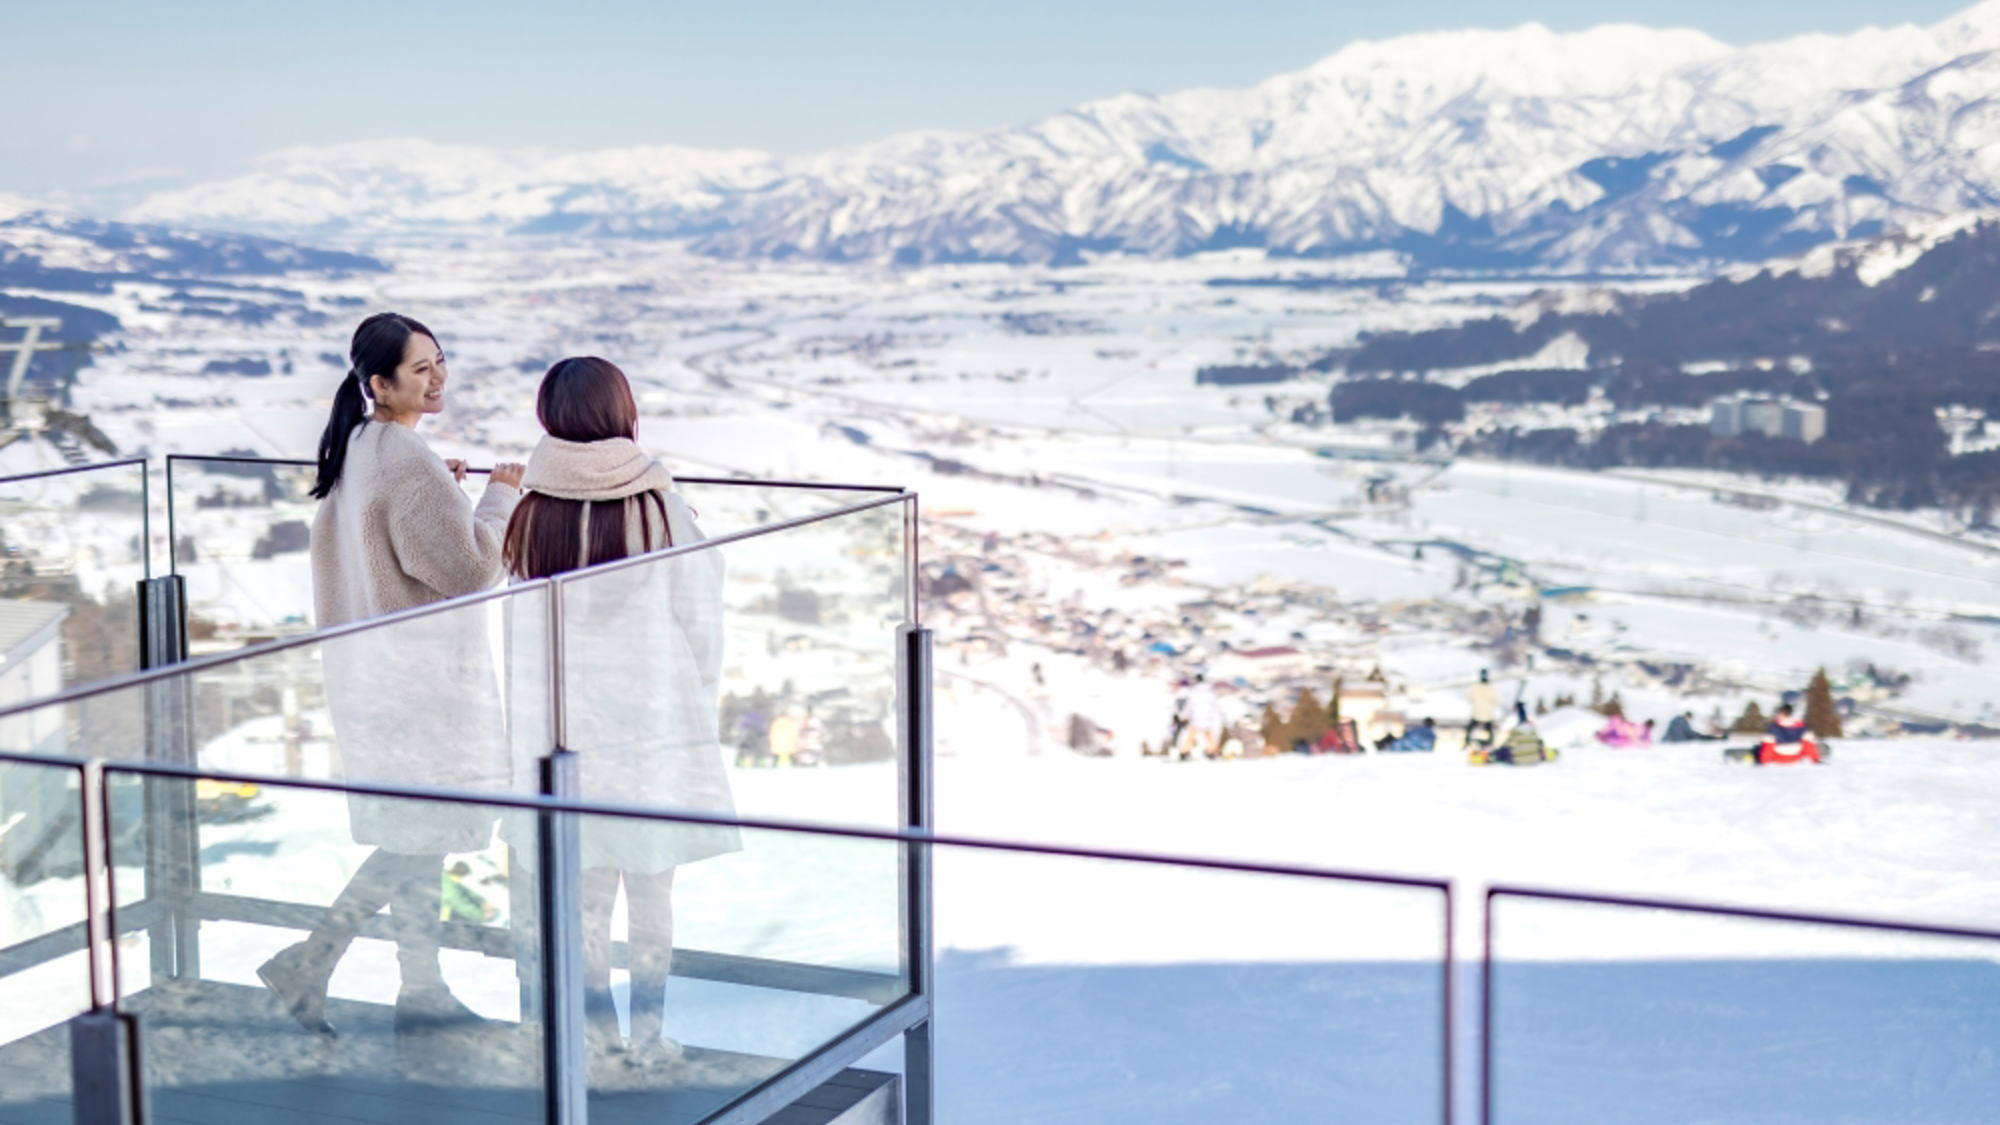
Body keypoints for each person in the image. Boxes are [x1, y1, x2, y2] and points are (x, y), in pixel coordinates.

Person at [257, 312, 524, 1037]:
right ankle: (315, 959)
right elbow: (471, 570)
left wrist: (447, 488)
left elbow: (402, 536)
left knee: (418, 835)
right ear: (378, 383)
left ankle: (417, 982)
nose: (437, 378)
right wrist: (499, 495)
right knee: (418, 833)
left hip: (376, 679)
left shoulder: (363, 446)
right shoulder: (406, 459)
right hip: (423, 688)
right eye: (420, 369)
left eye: (440, 362)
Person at [501, 356, 737, 1068]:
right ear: (619, 411)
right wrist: (700, 693)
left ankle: (595, 1039)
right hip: (649, 725)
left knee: (585, 899)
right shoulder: (656, 505)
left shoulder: (532, 507)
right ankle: (649, 1037)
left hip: (565, 734)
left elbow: (518, 636)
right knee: (653, 889)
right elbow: (701, 615)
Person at [1466, 669, 1497, 747]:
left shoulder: (1475, 686)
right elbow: (1495, 701)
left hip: (1477, 712)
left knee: (1470, 730)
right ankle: (1490, 745)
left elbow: (1470, 698)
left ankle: (1467, 743)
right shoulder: (1491, 687)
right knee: (1490, 731)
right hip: (1487, 714)